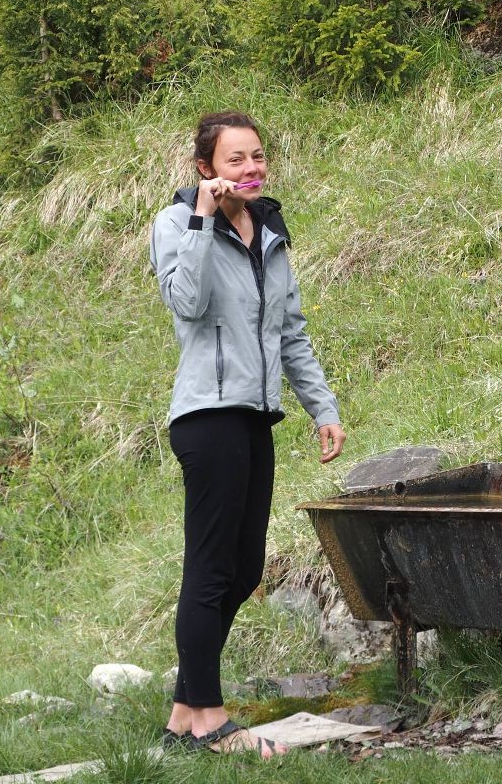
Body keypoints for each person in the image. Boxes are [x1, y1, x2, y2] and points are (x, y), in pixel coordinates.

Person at [149, 111, 346, 758]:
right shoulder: (177, 223)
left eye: (257, 156)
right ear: (205, 168)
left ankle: (185, 707)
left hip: (255, 416)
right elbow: (189, 302)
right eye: (236, 159)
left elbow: (291, 332)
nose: (252, 168)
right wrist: (205, 220)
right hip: (207, 417)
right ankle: (211, 720)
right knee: (210, 569)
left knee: (245, 567)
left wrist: (323, 407)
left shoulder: (269, 232)